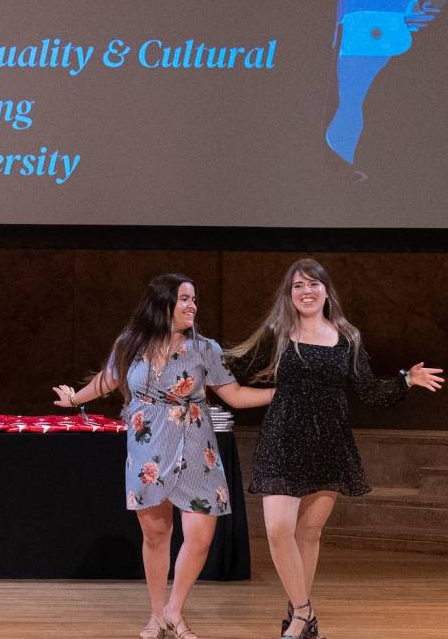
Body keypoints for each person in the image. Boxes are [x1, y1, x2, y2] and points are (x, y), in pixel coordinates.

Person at [226, 259, 443, 639]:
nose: (305, 291)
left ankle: (298, 619)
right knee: (278, 529)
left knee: (308, 534)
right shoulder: (277, 334)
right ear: (289, 294)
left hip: (329, 441)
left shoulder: (347, 337)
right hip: (282, 437)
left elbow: (368, 390)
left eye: (313, 284)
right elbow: (234, 365)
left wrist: (406, 380)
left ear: (326, 291)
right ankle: (303, 611)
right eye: (297, 286)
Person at [52, 273, 275, 639]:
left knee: (201, 534)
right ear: (162, 304)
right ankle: (159, 616)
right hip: (149, 444)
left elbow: (234, 395)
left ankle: (174, 609)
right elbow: (108, 379)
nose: (192, 306)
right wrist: (75, 398)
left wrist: (276, 395)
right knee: (156, 534)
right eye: (184, 299)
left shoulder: (206, 348)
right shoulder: (130, 344)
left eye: (194, 299)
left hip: (196, 446)